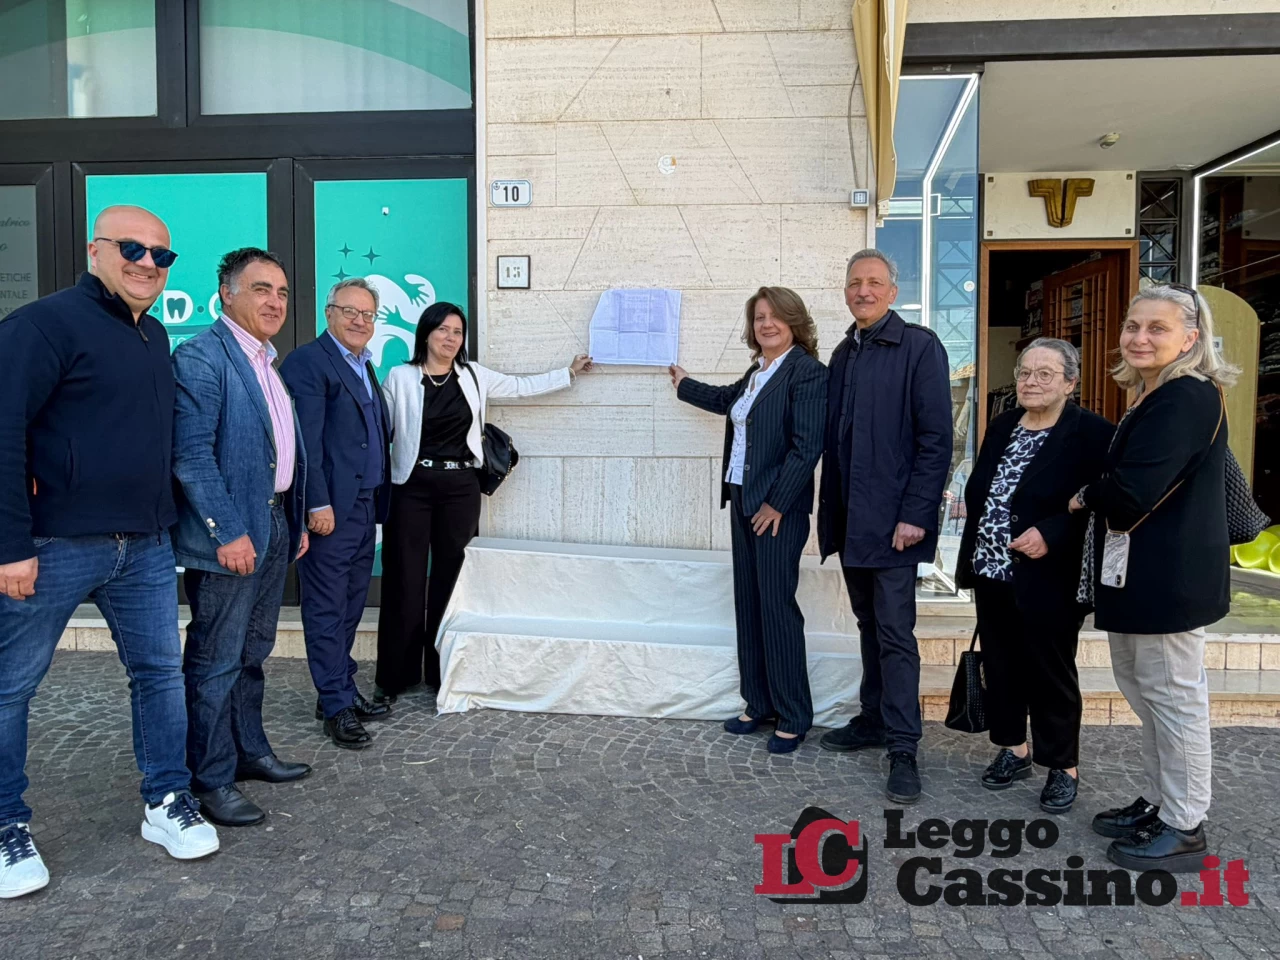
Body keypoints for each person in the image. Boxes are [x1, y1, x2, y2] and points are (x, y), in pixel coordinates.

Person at [0, 206, 219, 898]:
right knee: (10, 688)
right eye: (132, 248)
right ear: (96, 250)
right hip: (53, 544)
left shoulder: (153, 334)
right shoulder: (43, 325)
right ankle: (5, 824)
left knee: (159, 674)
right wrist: (9, 545)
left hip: (144, 547)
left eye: (161, 255)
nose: (147, 263)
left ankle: (166, 799)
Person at [1071, 283, 1235, 872]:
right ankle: (1162, 802)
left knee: (1173, 699)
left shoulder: (1185, 396)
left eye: (1157, 328)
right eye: (1133, 326)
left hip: (1170, 577)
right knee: (1149, 694)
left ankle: (1185, 824)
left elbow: (1131, 492)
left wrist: (1085, 494)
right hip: (1143, 573)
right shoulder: (1157, 393)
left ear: (1190, 338)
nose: (1139, 337)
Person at [375, 303, 593, 702]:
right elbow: (380, 428)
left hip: (460, 487)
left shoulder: (473, 375)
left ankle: (442, 670)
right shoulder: (401, 377)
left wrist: (569, 373)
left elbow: (520, 386)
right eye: (443, 329)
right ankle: (395, 677)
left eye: (457, 332)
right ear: (426, 333)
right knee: (404, 578)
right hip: (411, 486)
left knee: (452, 579)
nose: (450, 338)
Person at [172, 248, 312, 829]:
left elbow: (280, 450)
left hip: (273, 523)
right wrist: (227, 532)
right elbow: (191, 456)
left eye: (281, 292)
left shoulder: (266, 361)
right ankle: (209, 779)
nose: (275, 302)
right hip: (231, 535)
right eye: (261, 289)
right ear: (226, 295)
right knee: (215, 659)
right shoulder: (202, 356)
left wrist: (291, 520)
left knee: (253, 653)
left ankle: (249, 751)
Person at [816, 248, 953, 805]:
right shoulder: (844, 351)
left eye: (874, 282)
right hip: (853, 521)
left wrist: (916, 514)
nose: (863, 291)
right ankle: (873, 719)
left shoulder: (919, 346)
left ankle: (903, 747)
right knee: (869, 624)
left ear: (893, 292)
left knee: (896, 635)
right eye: (855, 283)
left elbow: (936, 439)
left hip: (895, 524)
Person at [955, 338, 1113, 814]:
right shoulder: (1004, 424)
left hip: (1050, 573)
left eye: (1045, 374)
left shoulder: (1092, 433)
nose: (1031, 382)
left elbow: (1100, 503)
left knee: (1051, 671)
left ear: (1070, 382)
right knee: (1001, 665)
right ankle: (1014, 748)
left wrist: (1053, 532)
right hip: (992, 567)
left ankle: (1062, 766)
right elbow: (985, 487)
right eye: (1025, 372)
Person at [669, 288, 827, 753]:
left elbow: (807, 446)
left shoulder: (807, 372)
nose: (766, 324)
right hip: (742, 497)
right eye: (759, 317)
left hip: (777, 508)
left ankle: (793, 715)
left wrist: (776, 503)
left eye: (776, 316)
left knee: (776, 608)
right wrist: (683, 383)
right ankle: (758, 702)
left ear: (795, 322)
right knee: (750, 604)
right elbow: (727, 400)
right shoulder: (757, 371)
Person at [280, 278, 392, 751]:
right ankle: (335, 706)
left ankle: (338, 688)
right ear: (329, 313)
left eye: (367, 314)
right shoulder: (309, 362)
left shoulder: (364, 364)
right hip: (331, 509)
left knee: (350, 602)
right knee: (326, 607)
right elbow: (304, 441)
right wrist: (315, 503)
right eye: (349, 311)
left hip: (364, 506)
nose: (359, 321)